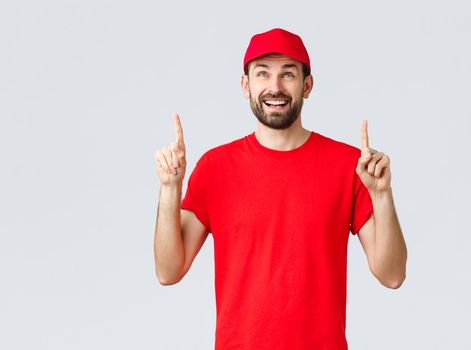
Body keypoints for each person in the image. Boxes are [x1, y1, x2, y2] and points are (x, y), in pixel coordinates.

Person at [152, 28, 408, 350]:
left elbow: (393, 274)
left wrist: (382, 196)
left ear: (307, 85)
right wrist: (169, 188)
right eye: (263, 74)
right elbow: (168, 270)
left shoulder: (348, 166)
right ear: (246, 85)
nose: (275, 87)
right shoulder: (215, 168)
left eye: (288, 74)